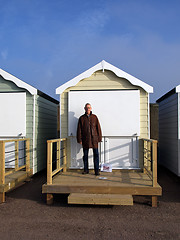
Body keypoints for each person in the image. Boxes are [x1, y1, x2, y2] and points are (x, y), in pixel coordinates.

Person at [76, 103, 102, 175]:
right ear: (84, 109)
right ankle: (86, 170)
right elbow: (79, 130)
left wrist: (99, 138)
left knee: (96, 155)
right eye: (87, 108)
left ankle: (96, 170)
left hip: (94, 139)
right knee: (85, 155)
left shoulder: (94, 117)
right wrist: (79, 139)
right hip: (85, 139)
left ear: (91, 108)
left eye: (89, 108)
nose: (88, 109)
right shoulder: (82, 118)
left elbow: (98, 128)